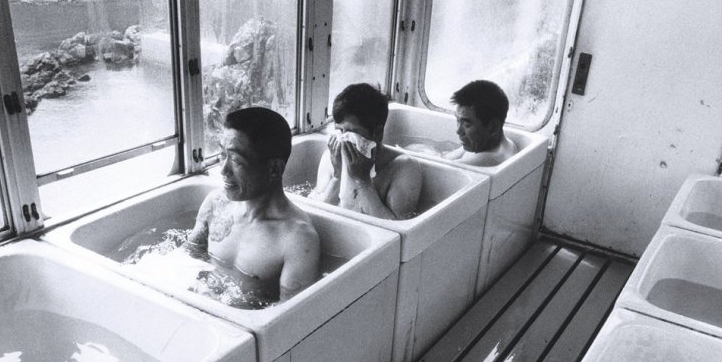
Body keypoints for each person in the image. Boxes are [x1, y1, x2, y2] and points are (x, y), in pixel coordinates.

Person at [186, 107, 320, 304]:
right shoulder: (215, 205)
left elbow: (289, 318)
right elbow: (188, 260)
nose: (223, 171)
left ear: (274, 169)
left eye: (236, 160)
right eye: (223, 155)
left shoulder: (297, 239)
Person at [310, 83, 422, 220]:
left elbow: (397, 229)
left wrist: (363, 181)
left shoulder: (404, 168)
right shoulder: (331, 157)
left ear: (377, 133)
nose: (344, 139)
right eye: (340, 130)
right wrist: (337, 176)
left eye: (352, 132)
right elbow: (315, 213)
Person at [443, 79, 519, 167]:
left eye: (467, 124)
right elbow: (447, 158)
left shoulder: (488, 159)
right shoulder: (487, 144)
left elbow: (443, 166)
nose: (458, 131)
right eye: (458, 120)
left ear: (493, 127)